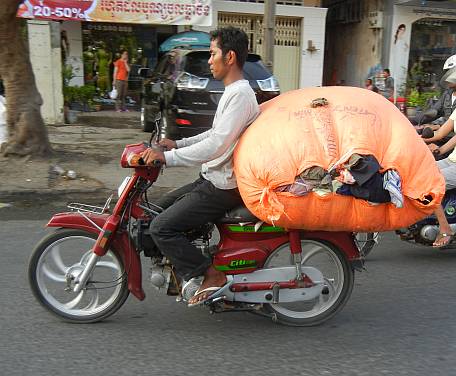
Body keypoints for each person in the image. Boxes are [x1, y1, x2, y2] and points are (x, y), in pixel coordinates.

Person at [141, 27, 260, 306]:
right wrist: (177, 144)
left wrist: (167, 159)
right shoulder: (233, 91)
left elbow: (217, 144)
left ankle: (210, 275)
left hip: (223, 186)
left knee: (161, 228)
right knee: (153, 212)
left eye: (212, 53)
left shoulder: (240, 94)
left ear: (229, 57)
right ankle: (179, 270)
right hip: (211, 177)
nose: (209, 60)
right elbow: (214, 134)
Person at [423, 105, 456, 247]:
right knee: (419, 172)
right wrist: (414, 138)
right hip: (451, 160)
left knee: (431, 182)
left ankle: (445, 229)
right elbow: (441, 133)